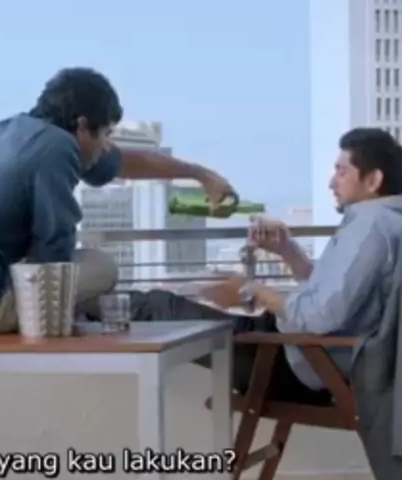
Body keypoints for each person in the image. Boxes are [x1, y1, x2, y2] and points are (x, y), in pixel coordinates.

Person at [0, 66, 238, 334]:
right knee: (102, 267)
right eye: (106, 133)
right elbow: (53, 255)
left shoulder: (13, 132)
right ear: (82, 125)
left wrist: (198, 173)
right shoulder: (57, 149)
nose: (107, 144)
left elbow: (123, 161)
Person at [133, 127, 402, 405]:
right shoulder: (388, 223)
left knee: (157, 306)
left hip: (298, 362)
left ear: (373, 180)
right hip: (300, 349)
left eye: (342, 172)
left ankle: (102, 313)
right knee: (166, 307)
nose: (332, 183)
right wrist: (289, 252)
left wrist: (253, 291)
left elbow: (322, 315)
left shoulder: (370, 228)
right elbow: (336, 296)